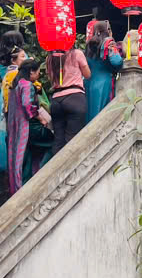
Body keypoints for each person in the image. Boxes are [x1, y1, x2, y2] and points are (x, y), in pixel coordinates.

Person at [6, 59, 51, 193]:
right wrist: (40, 117)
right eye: (37, 72)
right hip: (29, 127)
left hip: (16, 130)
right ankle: (41, 174)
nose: (39, 74)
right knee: (55, 142)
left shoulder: (15, 85)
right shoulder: (27, 85)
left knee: (25, 161)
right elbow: (27, 105)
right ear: (31, 72)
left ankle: (23, 188)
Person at [46, 47, 91, 155]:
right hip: (75, 98)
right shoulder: (77, 53)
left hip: (56, 100)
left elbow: (50, 78)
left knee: (58, 140)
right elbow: (87, 75)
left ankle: (56, 164)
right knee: (73, 139)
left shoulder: (49, 58)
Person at [85, 20, 124, 120]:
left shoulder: (89, 45)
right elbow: (117, 61)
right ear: (108, 30)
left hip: (89, 83)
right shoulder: (108, 42)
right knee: (102, 115)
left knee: (91, 114)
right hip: (104, 83)